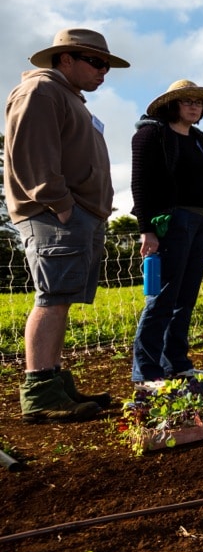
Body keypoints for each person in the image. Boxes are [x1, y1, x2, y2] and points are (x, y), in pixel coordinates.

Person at [5, 29, 128, 423]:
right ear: (65, 59)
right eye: (95, 62)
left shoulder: (70, 98)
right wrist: (60, 205)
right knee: (52, 297)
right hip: (54, 214)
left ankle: (53, 379)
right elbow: (30, 153)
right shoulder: (41, 91)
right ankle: (39, 389)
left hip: (77, 214)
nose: (103, 71)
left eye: (106, 64)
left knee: (62, 298)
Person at [131, 79, 203, 383]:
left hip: (200, 221)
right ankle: (146, 373)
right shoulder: (151, 134)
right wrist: (146, 229)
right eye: (186, 100)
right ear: (171, 104)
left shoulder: (199, 139)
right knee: (162, 297)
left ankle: (176, 363)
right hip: (171, 222)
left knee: (185, 299)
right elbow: (140, 183)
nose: (193, 106)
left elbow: (196, 185)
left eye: (197, 102)